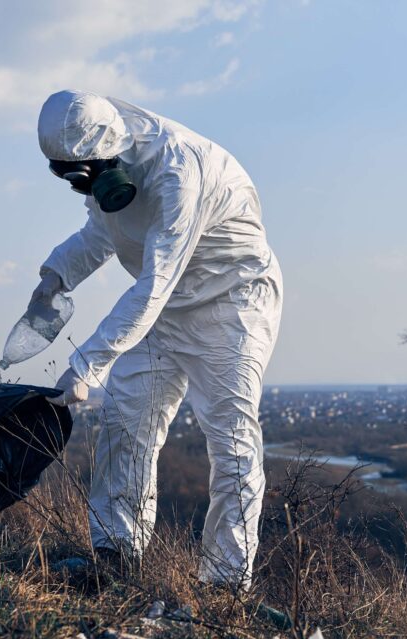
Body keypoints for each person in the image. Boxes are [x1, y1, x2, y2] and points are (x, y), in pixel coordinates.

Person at [33, 90, 283, 588]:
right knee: (125, 419)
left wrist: (87, 364)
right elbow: (100, 235)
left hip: (230, 302)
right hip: (165, 307)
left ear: (108, 155)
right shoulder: (106, 163)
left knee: (231, 440)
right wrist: (54, 277)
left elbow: (155, 281)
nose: (79, 187)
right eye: (67, 175)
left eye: (82, 175)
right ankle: (115, 554)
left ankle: (225, 586)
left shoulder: (177, 171)